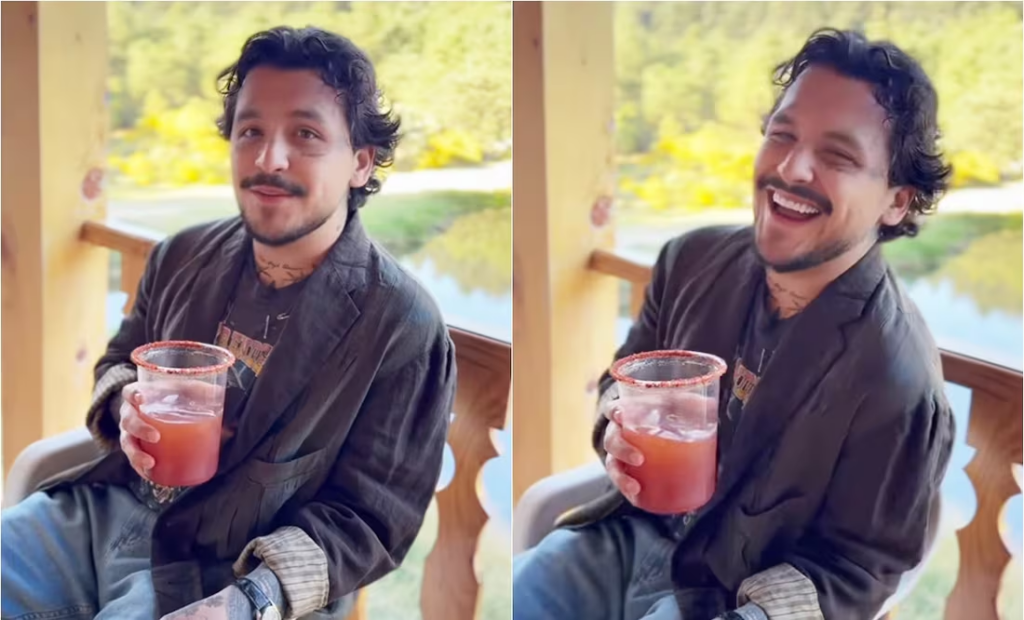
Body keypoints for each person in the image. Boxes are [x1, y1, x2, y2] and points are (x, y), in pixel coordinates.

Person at [1, 26, 456, 620]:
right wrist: (125, 408)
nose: (269, 159)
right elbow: (120, 360)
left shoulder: (401, 326)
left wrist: (252, 599)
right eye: (251, 131)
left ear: (360, 161)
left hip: (227, 571)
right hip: (99, 513)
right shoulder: (181, 255)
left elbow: (371, 519)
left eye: (306, 134)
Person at [513, 28, 955, 620]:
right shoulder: (689, 261)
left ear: (897, 201)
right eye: (783, 134)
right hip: (628, 537)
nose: (792, 168)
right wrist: (616, 432)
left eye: (838, 156)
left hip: (736, 594)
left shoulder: (897, 379)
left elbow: (861, 568)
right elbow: (621, 382)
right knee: (525, 585)